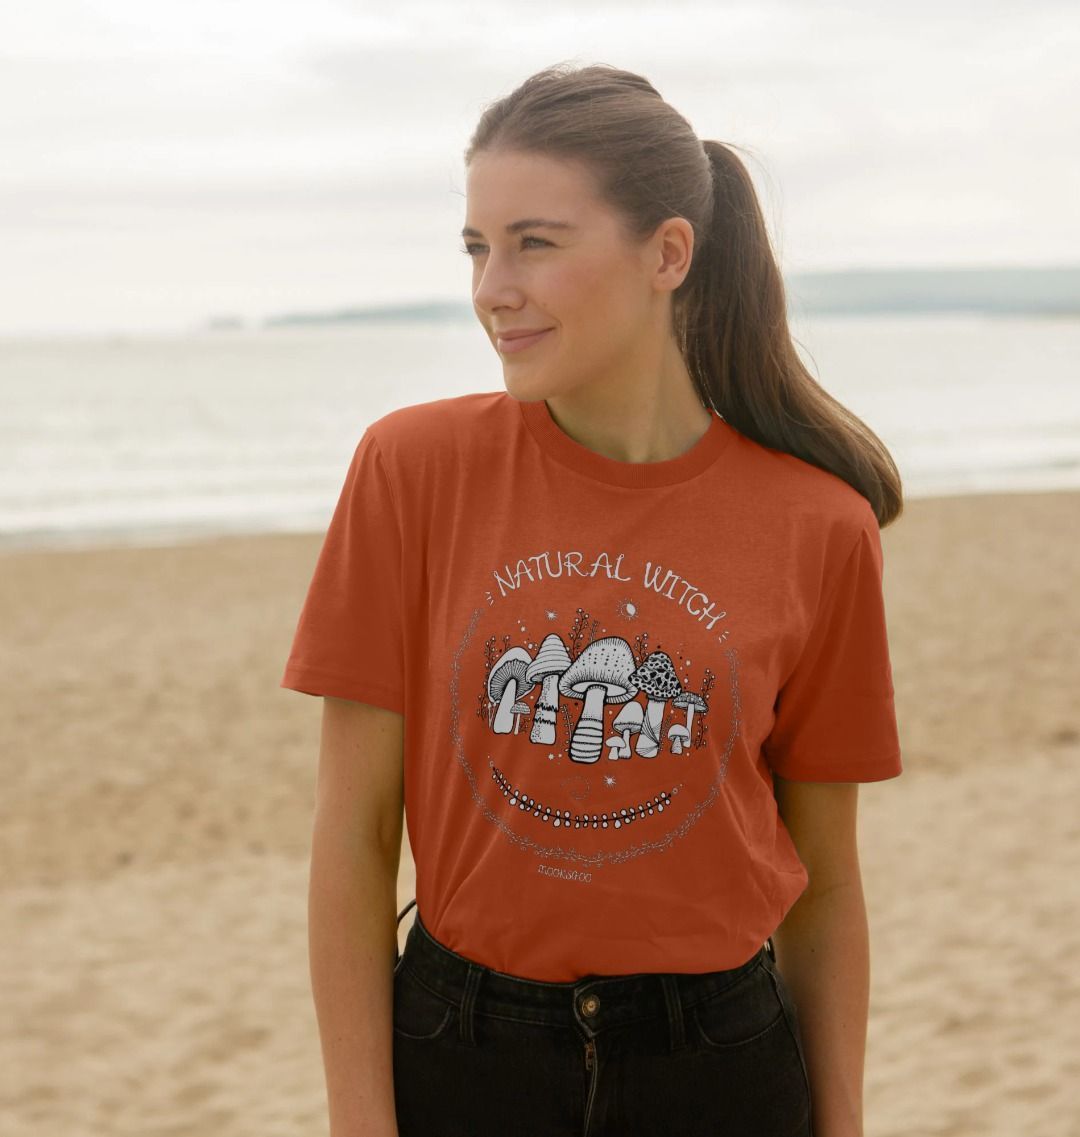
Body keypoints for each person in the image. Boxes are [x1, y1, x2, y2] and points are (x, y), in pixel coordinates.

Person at [281, 61, 903, 1137]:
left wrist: (839, 1125)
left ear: (667, 253)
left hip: (721, 1065)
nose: (492, 288)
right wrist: (359, 1123)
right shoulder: (411, 470)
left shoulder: (820, 526)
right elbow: (351, 838)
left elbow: (828, 884)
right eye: (478, 248)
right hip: (461, 1053)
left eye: (536, 242)